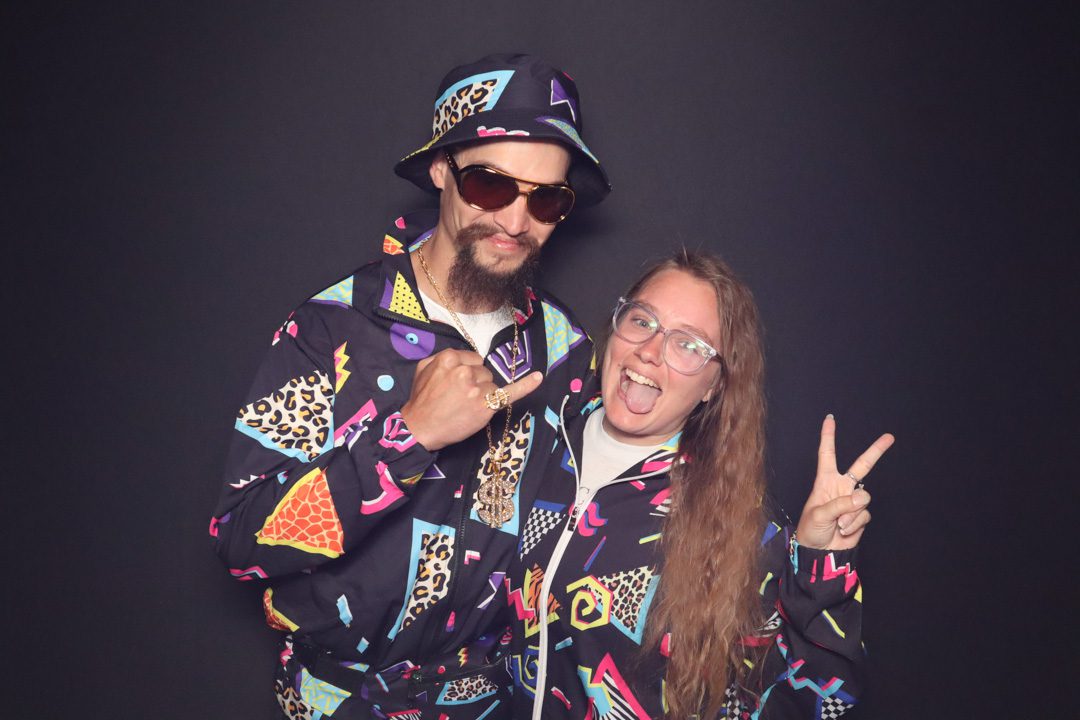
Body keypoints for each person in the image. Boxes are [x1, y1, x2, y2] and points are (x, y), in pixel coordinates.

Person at [210, 54, 609, 719]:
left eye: (546, 199)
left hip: (494, 700)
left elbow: (596, 517)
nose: (516, 221)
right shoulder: (331, 328)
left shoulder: (565, 349)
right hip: (338, 701)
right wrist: (409, 436)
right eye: (490, 185)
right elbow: (240, 545)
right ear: (441, 171)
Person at [506, 251, 894, 718]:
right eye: (642, 320)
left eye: (688, 345)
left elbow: (825, 700)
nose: (650, 351)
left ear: (714, 385)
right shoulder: (535, 442)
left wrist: (820, 567)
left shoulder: (738, 524)